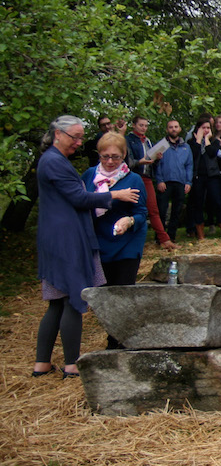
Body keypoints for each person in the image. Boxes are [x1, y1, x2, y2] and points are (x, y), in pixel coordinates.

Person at [33, 116, 140, 378]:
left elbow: (142, 211)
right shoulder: (55, 162)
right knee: (72, 299)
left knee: (56, 303)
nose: (79, 143)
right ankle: (71, 364)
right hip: (66, 238)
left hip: (58, 236)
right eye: (75, 137)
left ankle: (42, 363)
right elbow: (79, 198)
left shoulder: (53, 160)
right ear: (58, 134)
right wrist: (114, 194)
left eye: (81, 138)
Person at [82, 132, 148, 348]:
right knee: (105, 295)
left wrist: (129, 221)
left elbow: (141, 212)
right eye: (105, 156)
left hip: (127, 244)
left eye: (115, 157)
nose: (110, 162)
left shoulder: (133, 179)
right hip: (98, 242)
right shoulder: (89, 176)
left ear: (124, 155)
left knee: (123, 294)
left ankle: (119, 342)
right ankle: (112, 334)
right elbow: (81, 205)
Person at [125, 115, 177, 250]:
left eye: (146, 126)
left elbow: (152, 162)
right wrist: (140, 161)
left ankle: (164, 239)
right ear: (134, 125)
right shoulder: (128, 140)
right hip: (132, 176)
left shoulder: (147, 141)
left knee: (153, 209)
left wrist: (157, 158)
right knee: (131, 209)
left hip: (147, 177)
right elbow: (127, 162)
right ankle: (130, 241)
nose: (144, 128)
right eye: (141, 125)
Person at [187, 116, 221, 240]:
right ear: (198, 129)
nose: (205, 130)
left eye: (208, 128)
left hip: (213, 176)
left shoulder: (215, 141)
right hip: (198, 176)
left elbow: (211, 153)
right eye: (203, 128)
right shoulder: (191, 143)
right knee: (198, 204)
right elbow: (193, 155)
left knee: (218, 202)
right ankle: (201, 235)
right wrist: (199, 140)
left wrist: (207, 139)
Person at [155, 119, 193, 243]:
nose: (173, 129)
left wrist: (188, 182)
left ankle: (171, 236)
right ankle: (160, 237)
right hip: (165, 182)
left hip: (180, 182)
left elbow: (189, 165)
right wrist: (159, 180)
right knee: (161, 210)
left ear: (180, 129)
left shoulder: (186, 147)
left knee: (176, 211)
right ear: (167, 129)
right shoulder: (161, 145)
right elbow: (156, 164)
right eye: (171, 127)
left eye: (176, 127)